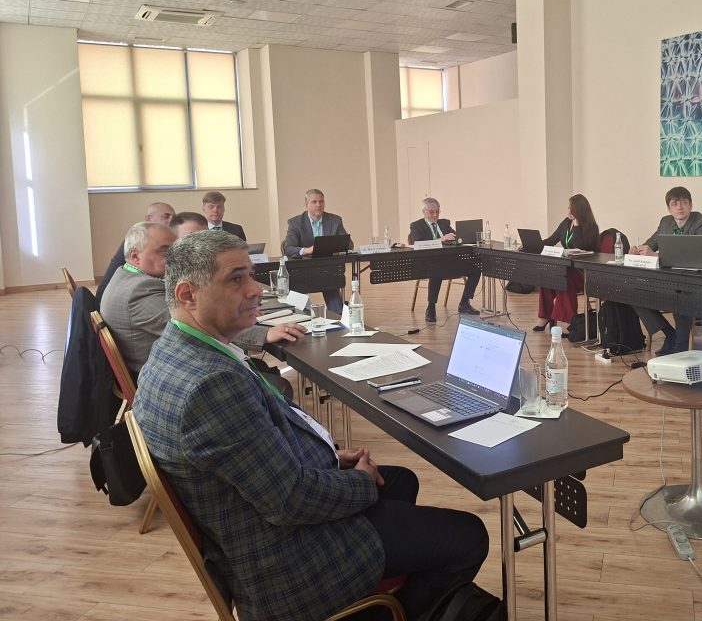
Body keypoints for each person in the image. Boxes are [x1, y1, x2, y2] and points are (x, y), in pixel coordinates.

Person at [132, 231, 488, 620]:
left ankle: (388, 596)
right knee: (469, 535)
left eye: (251, 275)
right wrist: (360, 481)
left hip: (259, 515)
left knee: (400, 481)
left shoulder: (175, 352)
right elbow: (289, 499)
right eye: (236, 279)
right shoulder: (211, 385)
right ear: (187, 295)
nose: (255, 290)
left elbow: (252, 452)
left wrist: (329, 455)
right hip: (286, 561)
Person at [100, 223, 302, 380]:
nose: (174, 258)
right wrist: (264, 333)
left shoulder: (125, 277)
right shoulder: (138, 290)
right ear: (135, 256)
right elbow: (196, 327)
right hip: (176, 373)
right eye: (165, 251)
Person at [629, 186, 702, 355]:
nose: (679, 207)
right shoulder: (665, 222)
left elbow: (695, 254)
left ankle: (681, 345)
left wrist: (656, 256)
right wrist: (638, 250)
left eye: (684, 203)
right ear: (669, 208)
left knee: (678, 294)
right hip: (669, 280)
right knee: (633, 292)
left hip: (698, 281)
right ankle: (669, 334)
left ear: (691, 205)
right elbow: (651, 244)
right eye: (675, 204)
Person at [408, 197, 481, 323]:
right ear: (423, 212)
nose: (435, 215)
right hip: (428, 263)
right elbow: (417, 243)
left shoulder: (444, 223)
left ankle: (464, 303)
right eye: (431, 212)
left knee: (476, 269)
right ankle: (431, 308)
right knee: (436, 271)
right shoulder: (416, 226)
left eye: (437, 212)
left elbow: (457, 237)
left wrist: (461, 238)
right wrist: (440, 240)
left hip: (449, 261)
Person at [534, 194, 599, 332]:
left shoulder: (591, 227)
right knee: (547, 276)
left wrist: (577, 226)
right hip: (567, 268)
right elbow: (551, 240)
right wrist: (534, 245)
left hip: (584, 271)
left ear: (579, 210)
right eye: (568, 208)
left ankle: (566, 321)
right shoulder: (565, 223)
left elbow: (579, 246)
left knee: (564, 279)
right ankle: (545, 316)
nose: (568, 211)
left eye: (571, 208)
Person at [95, 201, 175, 301]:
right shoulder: (139, 241)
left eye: (174, 217)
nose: (172, 220)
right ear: (148, 219)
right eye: (166, 216)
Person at [284, 189, 347, 314]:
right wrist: (307, 250)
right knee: (298, 287)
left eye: (321, 201)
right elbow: (288, 248)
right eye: (314, 202)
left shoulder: (335, 220)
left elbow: (348, 244)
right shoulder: (295, 223)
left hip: (328, 269)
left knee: (333, 280)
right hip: (303, 271)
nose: (318, 205)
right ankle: (303, 316)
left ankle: (338, 316)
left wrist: (334, 245)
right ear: (306, 203)